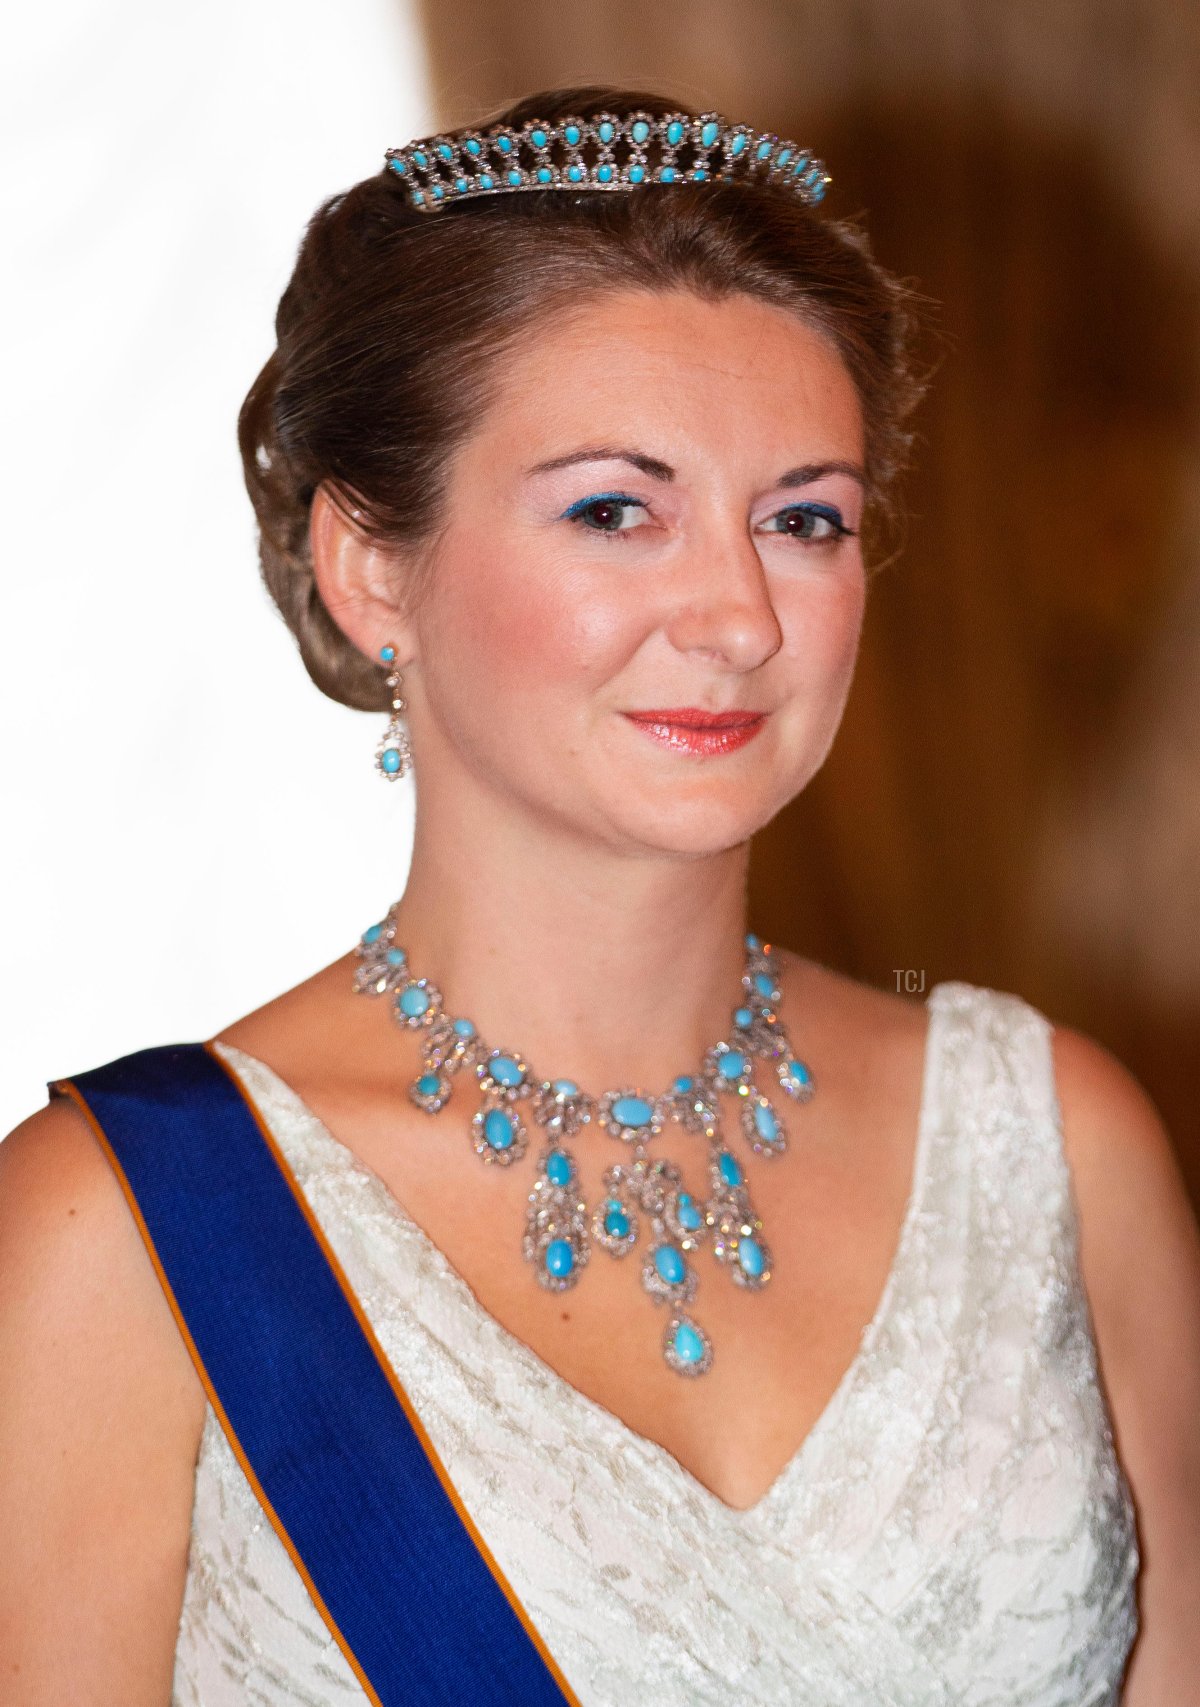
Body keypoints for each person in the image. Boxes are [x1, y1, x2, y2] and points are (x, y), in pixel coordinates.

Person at [1, 82, 1197, 1707]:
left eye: (805, 519)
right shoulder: (118, 1232)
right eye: (614, 510)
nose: (736, 614)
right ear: (368, 566)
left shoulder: (1062, 1148)